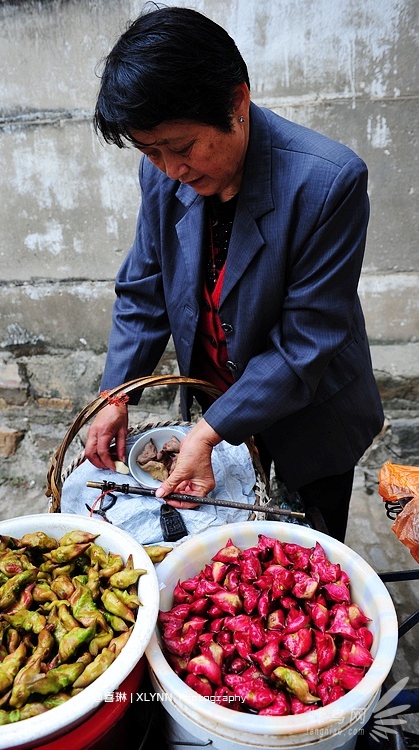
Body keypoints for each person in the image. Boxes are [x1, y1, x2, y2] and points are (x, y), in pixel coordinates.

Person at [84, 5, 384, 542]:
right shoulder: (162, 178)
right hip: (215, 407)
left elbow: (306, 343)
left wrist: (208, 431)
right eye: (151, 152)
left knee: (307, 551)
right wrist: (116, 396)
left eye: (182, 148)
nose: (172, 169)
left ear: (237, 102)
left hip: (312, 418)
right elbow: (143, 293)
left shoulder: (327, 183)